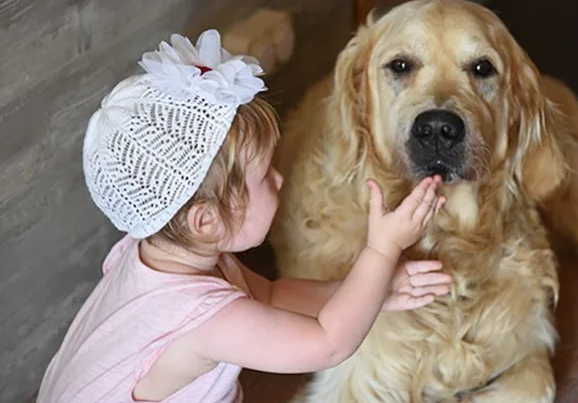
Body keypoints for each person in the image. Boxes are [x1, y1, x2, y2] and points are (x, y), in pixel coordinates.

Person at [37, 29, 449, 403]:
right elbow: (328, 343)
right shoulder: (206, 323)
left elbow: (270, 297)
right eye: (263, 176)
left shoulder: (161, 250)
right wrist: (381, 251)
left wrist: (371, 293)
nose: (280, 179)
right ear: (206, 220)